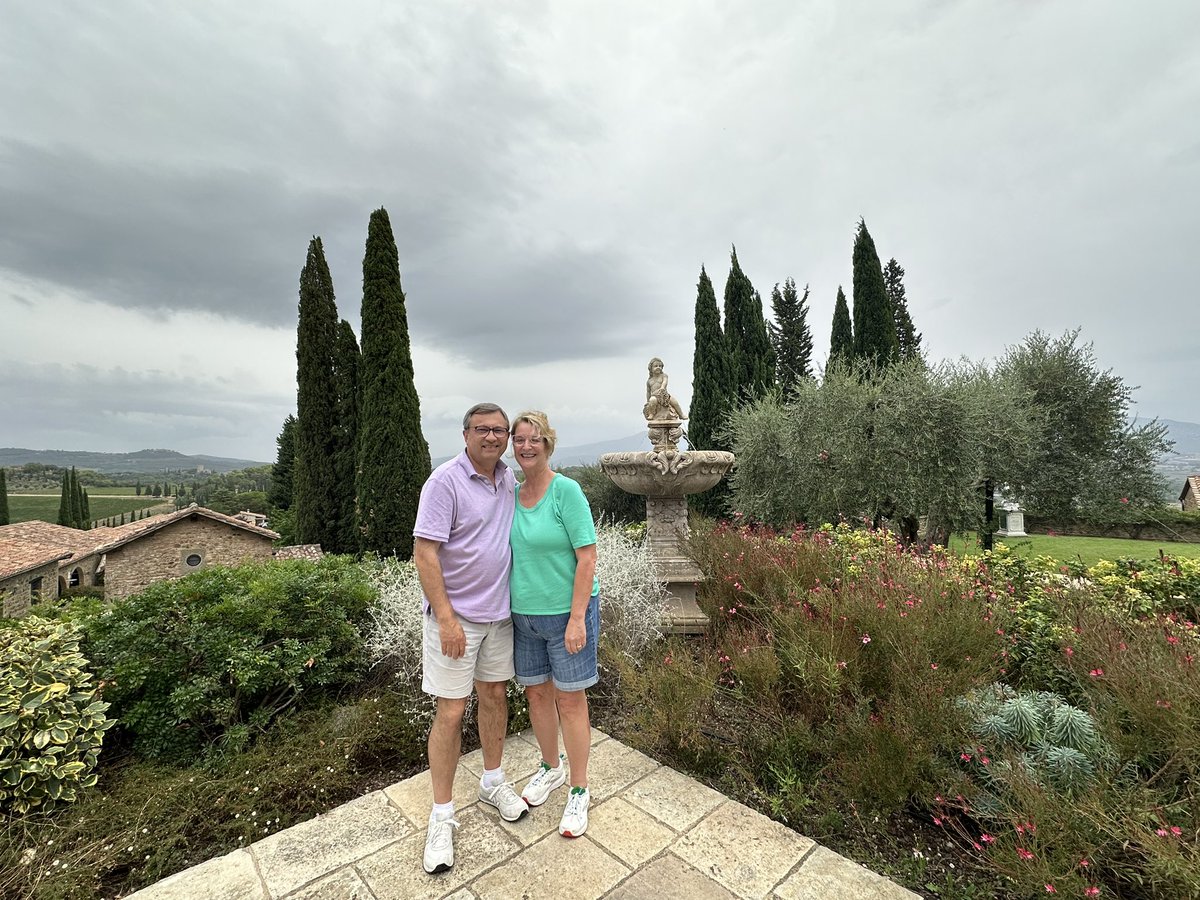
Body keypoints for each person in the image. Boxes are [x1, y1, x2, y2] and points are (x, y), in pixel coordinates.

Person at [414, 402, 528, 875]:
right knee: (451, 709)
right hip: (456, 621)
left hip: (499, 617)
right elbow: (424, 553)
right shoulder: (445, 482)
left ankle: (492, 781)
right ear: (465, 435)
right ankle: (441, 816)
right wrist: (445, 618)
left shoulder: (508, 482)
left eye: (499, 430)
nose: (492, 436)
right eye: (482, 429)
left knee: (495, 696)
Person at [508, 410, 600, 837]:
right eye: (519, 439)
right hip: (524, 617)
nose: (526, 446)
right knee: (538, 698)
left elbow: (587, 557)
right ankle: (551, 767)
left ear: (548, 445)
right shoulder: (510, 493)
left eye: (535, 439)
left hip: (567, 614)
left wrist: (578, 619)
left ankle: (579, 789)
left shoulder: (567, 492)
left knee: (569, 701)